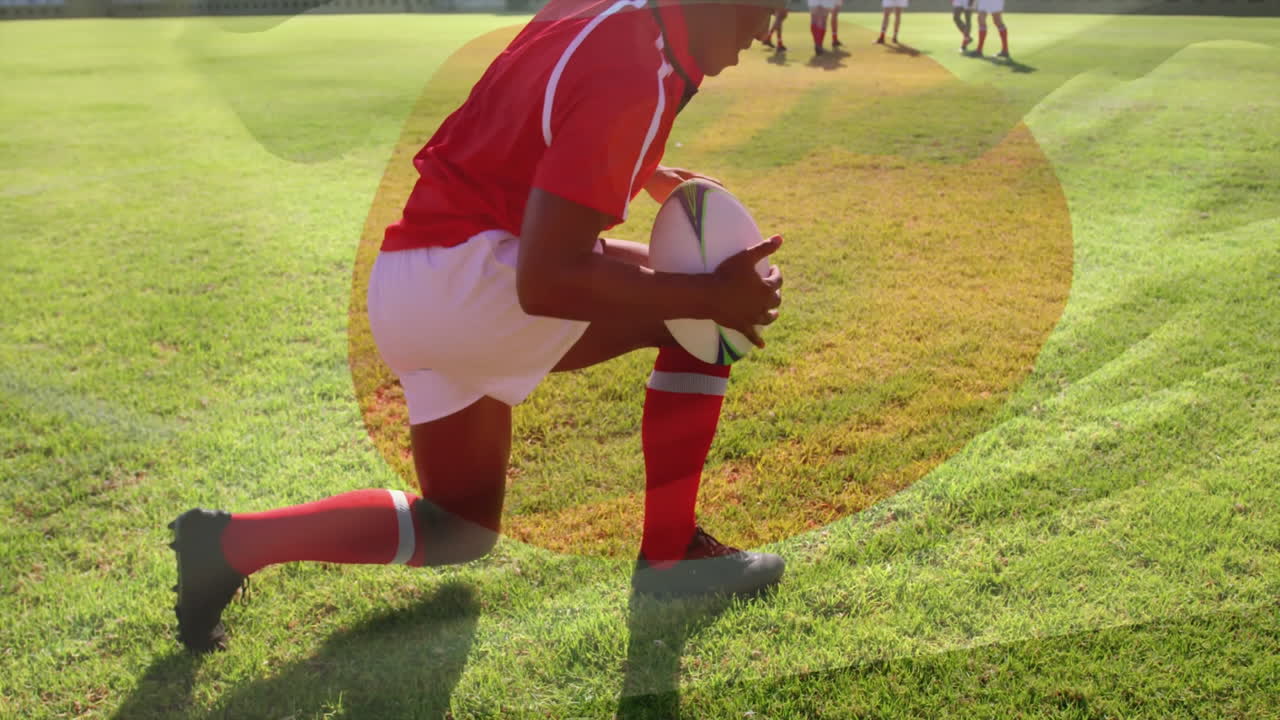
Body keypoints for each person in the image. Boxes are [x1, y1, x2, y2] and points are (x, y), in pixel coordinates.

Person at [168, 0, 787, 654]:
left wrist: (648, 171)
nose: (767, 25)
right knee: (704, 307)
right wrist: (711, 295)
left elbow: (520, 113)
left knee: (459, 528)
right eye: (765, 6)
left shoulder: (603, 11)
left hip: (410, 281)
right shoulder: (635, 69)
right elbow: (548, 280)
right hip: (471, 282)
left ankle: (231, 543)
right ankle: (669, 558)